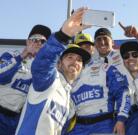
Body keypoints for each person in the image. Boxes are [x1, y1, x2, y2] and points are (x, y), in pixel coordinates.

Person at [15, 7, 91, 135]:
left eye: (79, 60)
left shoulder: (70, 104)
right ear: (59, 63)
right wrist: (63, 35)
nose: (75, 62)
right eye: (70, 57)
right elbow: (43, 62)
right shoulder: (49, 80)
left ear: (82, 68)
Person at [94, 24, 138, 135]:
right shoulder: (92, 66)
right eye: (98, 40)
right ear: (95, 44)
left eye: (105, 38)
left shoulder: (125, 55)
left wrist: (137, 34)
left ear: (113, 42)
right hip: (107, 120)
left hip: (133, 115)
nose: (102, 42)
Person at [62, 33, 130, 135]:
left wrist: (121, 119)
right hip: (79, 127)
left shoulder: (105, 68)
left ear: (93, 48)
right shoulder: (68, 74)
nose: (84, 49)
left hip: (103, 125)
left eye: (88, 46)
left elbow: (123, 92)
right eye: (80, 47)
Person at [0, 24, 51, 135]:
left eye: (43, 42)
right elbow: (1, 76)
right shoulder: (10, 55)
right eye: (35, 40)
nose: (39, 43)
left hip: (16, 120)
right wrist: (22, 55)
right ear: (28, 42)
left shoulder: (43, 69)